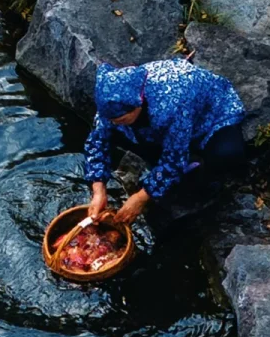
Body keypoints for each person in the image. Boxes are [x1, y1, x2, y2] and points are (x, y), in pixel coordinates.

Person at [84, 59, 247, 225]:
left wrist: (141, 197)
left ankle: (197, 172)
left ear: (138, 104)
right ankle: (166, 172)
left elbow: (174, 158)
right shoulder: (111, 100)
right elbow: (97, 141)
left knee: (227, 154)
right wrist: (98, 189)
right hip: (167, 124)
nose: (114, 123)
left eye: (121, 119)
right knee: (115, 133)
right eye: (111, 119)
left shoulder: (171, 102)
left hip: (212, 114)